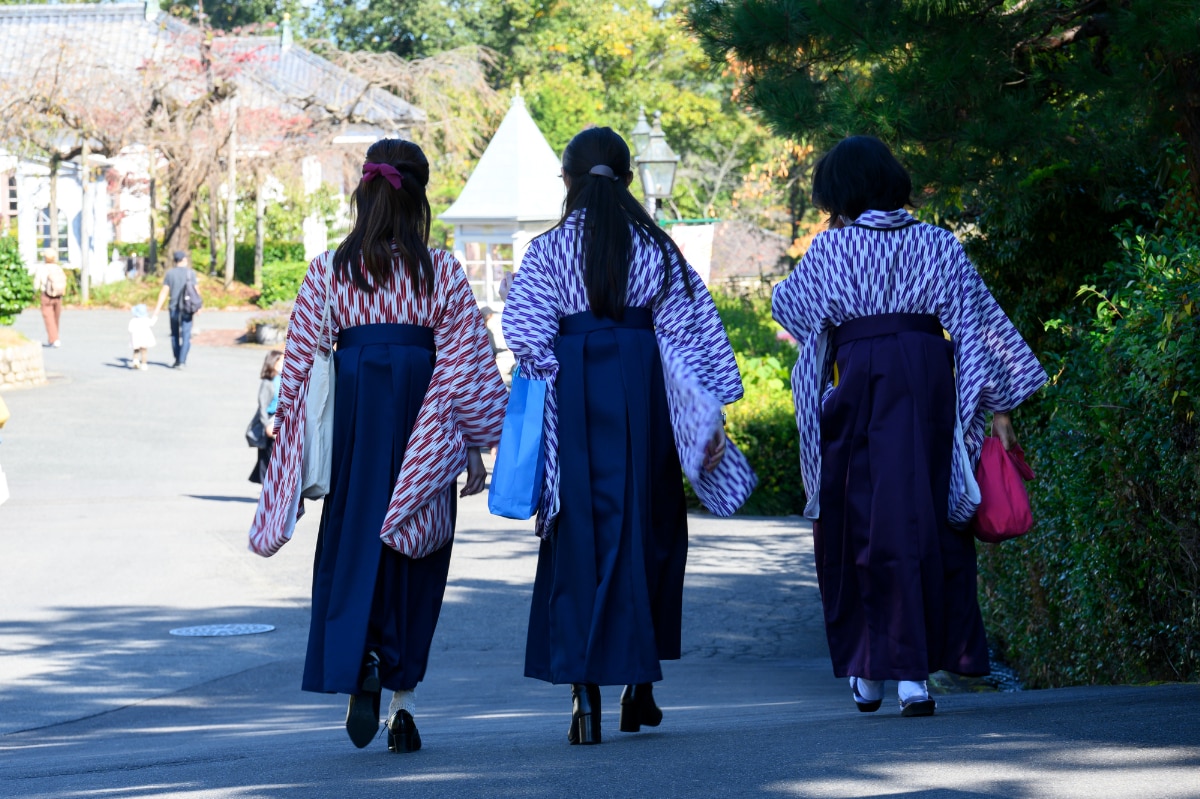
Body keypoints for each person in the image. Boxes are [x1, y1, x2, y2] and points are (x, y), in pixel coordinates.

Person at [771, 136, 1047, 717]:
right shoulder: (938, 243)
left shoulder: (832, 249)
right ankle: (915, 677)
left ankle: (873, 672)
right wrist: (998, 409)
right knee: (927, 520)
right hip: (928, 388)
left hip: (861, 387)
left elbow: (791, 310)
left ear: (842, 194)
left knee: (860, 527)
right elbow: (979, 324)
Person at [247, 139, 507, 752]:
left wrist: (289, 450)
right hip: (430, 413)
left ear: (364, 194)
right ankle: (404, 701)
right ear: (419, 198)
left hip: (355, 426)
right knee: (418, 551)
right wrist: (473, 445)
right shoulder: (440, 270)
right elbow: (468, 360)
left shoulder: (329, 269)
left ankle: (356, 659)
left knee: (352, 545)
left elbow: (302, 367)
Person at [502, 127, 745, 745]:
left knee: (580, 533)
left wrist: (556, 383)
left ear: (569, 182)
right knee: (648, 527)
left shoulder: (548, 250)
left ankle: (585, 694)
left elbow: (527, 336)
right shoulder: (660, 249)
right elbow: (694, 338)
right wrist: (711, 414)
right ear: (629, 180)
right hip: (647, 391)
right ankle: (641, 684)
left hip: (575, 392)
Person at [150, 250, 198, 369]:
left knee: (174, 335)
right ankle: (182, 361)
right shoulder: (190, 273)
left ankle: (177, 359)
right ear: (184, 260)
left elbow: (164, 292)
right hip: (187, 308)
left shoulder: (170, 274)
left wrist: (157, 309)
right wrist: (198, 307)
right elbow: (196, 291)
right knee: (186, 334)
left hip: (174, 308)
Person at [247, 350, 283, 483]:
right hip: (270, 419)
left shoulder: (283, 378)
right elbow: (262, 406)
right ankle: (266, 488)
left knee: (278, 455)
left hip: (280, 418)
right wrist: (267, 424)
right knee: (268, 455)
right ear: (273, 363)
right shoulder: (268, 382)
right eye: (281, 361)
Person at [33, 249, 67, 347]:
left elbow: (37, 282)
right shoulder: (58, 268)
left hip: (46, 295)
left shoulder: (42, 268)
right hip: (58, 295)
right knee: (56, 317)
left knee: (48, 317)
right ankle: (54, 337)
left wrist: (35, 292)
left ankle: (54, 339)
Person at [127, 304, 155, 370]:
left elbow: (130, 329)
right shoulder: (146, 320)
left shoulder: (133, 320)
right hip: (144, 338)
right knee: (144, 351)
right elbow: (152, 323)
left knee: (136, 350)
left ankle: (135, 361)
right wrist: (155, 317)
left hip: (136, 338)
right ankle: (144, 364)